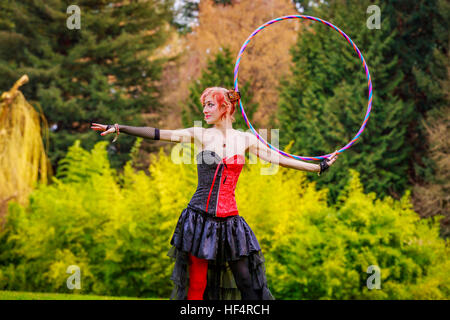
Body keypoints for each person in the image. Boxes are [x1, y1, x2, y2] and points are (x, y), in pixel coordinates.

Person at [91, 87, 338, 300]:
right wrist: (119, 127)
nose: (205, 110)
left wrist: (317, 166)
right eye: (204, 105)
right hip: (199, 220)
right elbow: (158, 133)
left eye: (209, 105)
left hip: (231, 223)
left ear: (225, 107)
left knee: (247, 283)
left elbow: (280, 160)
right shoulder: (199, 134)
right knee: (197, 285)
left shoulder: (245, 139)